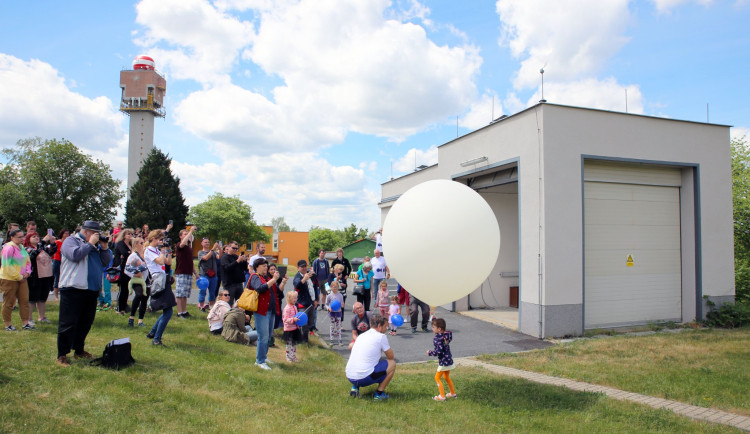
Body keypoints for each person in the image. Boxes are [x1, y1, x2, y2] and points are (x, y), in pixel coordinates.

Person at [57, 221, 113, 366]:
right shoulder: (70, 241)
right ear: (87, 232)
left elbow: (105, 262)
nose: (97, 237)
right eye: (95, 234)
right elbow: (75, 255)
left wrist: (105, 248)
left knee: (85, 322)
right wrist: (90, 244)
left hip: (91, 289)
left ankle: (79, 350)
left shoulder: (93, 245)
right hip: (73, 288)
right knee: (68, 323)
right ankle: (61, 354)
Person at [345, 314, 396, 400]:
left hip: (350, 375)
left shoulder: (361, 336)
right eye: (385, 327)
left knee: (364, 362)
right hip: (365, 377)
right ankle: (379, 393)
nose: (386, 329)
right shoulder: (381, 337)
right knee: (392, 364)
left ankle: (355, 387)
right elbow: (391, 357)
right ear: (379, 326)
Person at [248, 257, 282, 370]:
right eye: (263, 266)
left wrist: (282, 280)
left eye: (266, 266)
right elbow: (260, 288)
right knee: (263, 336)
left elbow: (277, 291)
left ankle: (264, 356)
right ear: (257, 267)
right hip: (261, 311)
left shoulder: (266, 277)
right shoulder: (255, 277)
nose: (265, 268)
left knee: (268, 336)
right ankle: (259, 361)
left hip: (270, 310)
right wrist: (273, 280)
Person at [144, 229, 175, 346]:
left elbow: (167, 262)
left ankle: (152, 333)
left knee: (167, 309)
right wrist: (162, 251)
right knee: (168, 311)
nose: (162, 241)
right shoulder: (149, 250)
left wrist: (168, 250)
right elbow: (160, 262)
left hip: (163, 278)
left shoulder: (156, 250)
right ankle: (156, 339)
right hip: (157, 279)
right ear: (154, 239)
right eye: (160, 239)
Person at [1, 228, 32, 331]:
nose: (22, 239)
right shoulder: (8, 248)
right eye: (19, 237)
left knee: (24, 301)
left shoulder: (21, 247)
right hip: (9, 279)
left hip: (23, 278)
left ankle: (25, 323)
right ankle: (8, 324)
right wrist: (19, 277)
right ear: (12, 237)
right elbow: (7, 265)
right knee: (8, 302)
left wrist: (28, 272)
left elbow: (27, 261)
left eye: (23, 236)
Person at [24, 231, 56, 324]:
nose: (36, 237)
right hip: (34, 276)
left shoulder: (43, 248)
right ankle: (29, 319)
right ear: (28, 239)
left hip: (45, 275)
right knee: (32, 298)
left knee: (43, 298)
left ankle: (42, 317)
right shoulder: (27, 249)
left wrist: (53, 243)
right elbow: (33, 255)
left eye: (37, 236)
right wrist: (42, 242)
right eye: (33, 236)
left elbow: (52, 251)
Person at [426, 317, 456, 401]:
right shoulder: (446, 336)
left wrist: (430, 353)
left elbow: (438, 351)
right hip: (449, 360)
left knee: (437, 378)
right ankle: (452, 393)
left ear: (439, 329)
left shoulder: (437, 338)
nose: (432, 329)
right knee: (446, 377)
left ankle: (442, 396)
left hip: (443, 362)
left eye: (433, 327)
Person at [124, 236, 149, 327]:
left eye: (143, 243)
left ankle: (140, 320)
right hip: (136, 280)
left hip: (146, 279)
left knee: (144, 298)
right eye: (141, 243)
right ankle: (131, 317)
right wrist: (134, 275)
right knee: (138, 295)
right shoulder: (133, 256)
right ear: (136, 244)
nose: (143, 245)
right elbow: (126, 270)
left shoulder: (145, 254)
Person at [174, 226, 197, 319]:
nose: (187, 235)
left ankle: (184, 311)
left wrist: (195, 272)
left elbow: (191, 261)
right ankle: (179, 312)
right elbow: (183, 244)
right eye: (185, 234)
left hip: (188, 272)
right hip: (181, 272)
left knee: (185, 294)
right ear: (180, 236)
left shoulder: (189, 248)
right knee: (180, 294)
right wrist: (190, 231)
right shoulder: (179, 245)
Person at [293, 259, 318, 342]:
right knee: (303, 323)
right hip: (302, 304)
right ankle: (302, 341)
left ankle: (305, 339)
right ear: (298, 268)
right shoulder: (297, 276)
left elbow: (314, 288)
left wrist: (316, 300)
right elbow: (297, 285)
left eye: (305, 266)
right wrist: (304, 279)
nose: (304, 268)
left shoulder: (310, 275)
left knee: (310, 323)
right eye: (302, 267)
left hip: (310, 302)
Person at [112, 228, 134, 314]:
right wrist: (129, 253)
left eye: (131, 234)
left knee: (126, 289)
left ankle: (124, 307)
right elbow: (125, 253)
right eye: (128, 234)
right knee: (122, 289)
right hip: (121, 269)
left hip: (128, 269)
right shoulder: (120, 244)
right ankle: (119, 308)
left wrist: (130, 252)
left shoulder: (131, 245)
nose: (130, 236)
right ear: (124, 235)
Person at [266, 263, 288, 347]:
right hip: (271, 301)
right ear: (268, 271)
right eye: (271, 269)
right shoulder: (267, 279)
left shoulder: (279, 278)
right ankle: (270, 335)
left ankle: (272, 330)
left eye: (274, 269)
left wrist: (283, 281)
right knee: (271, 317)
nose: (273, 271)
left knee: (278, 317)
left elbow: (279, 290)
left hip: (278, 299)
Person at [197, 238, 222, 310]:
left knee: (212, 291)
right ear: (202, 243)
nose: (207, 243)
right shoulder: (200, 252)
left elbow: (219, 257)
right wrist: (213, 249)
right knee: (203, 291)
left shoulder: (213, 252)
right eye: (205, 242)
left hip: (213, 275)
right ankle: (201, 306)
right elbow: (205, 258)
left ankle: (211, 306)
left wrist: (219, 248)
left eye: (208, 242)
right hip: (204, 275)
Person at [282, 291, 302, 362]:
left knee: (294, 343)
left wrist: (298, 322)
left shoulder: (294, 307)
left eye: (296, 298)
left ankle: (293, 355)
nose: (295, 299)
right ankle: (288, 356)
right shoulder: (287, 308)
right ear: (289, 298)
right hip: (289, 329)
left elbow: (296, 316)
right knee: (289, 344)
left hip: (295, 328)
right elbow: (285, 319)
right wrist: (293, 319)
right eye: (294, 298)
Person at [52, 228, 70, 301]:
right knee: (57, 277)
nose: (67, 235)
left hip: (65, 261)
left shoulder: (69, 242)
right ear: (62, 234)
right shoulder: (58, 242)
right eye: (65, 233)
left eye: (68, 233)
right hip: (57, 260)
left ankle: (63, 294)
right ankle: (56, 296)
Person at [325, 280, 344, 346]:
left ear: (338, 287)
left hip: (338, 312)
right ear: (331, 287)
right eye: (333, 287)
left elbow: (342, 303)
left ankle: (339, 340)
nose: (334, 288)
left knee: (338, 326)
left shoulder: (340, 295)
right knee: (332, 326)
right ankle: (332, 340)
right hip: (332, 313)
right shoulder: (329, 295)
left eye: (336, 287)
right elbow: (326, 304)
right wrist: (328, 308)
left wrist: (342, 305)